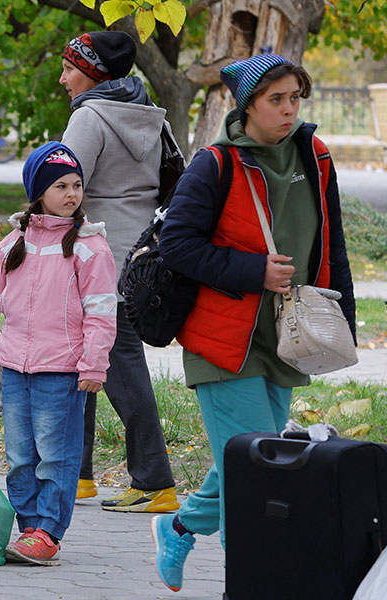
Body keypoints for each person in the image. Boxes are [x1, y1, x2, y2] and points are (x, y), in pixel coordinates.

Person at [150, 54, 355, 591]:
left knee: (256, 457)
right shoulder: (214, 164)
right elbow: (176, 246)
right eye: (276, 100)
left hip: (286, 336)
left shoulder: (313, 155)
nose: (289, 110)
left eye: (295, 98)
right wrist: (253, 270)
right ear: (246, 106)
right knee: (258, 474)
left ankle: (179, 525)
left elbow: (332, 242)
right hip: (223, 339)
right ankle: (244, 583)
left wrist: (344, 321)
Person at [0, 142, 117, 566]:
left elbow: (102, 312)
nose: (71, 194)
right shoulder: (15, 241)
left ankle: (49, 531)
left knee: (56, 454)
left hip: (63, 371)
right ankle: (28, 528)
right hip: (16, 367)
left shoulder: (90, 248)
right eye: (60, 186)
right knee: (20, 455)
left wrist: (94, 364)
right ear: (39, 192)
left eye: (76, 185)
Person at [58, 30, 178, 512]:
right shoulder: (149, 114)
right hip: (141, 255)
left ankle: (155, 480)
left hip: (98, 257)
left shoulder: (89, 117)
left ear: (93, 73)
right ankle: (79, 473)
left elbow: (62, 187)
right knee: (81, 357)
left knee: (118, 366)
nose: (63, 78)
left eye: (70, 68)